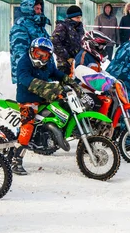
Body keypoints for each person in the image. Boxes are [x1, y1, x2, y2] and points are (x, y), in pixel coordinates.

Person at [12, 37, 80, 175]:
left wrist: (69, 81)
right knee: (28, 124)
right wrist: (49, 88)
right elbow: (26, 80)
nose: (42, 58)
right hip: (28, 99)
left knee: (62, 107)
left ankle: (51, 137)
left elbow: (56, 73)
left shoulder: (48, 63)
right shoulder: (24, 62)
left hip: (44, 97)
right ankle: (16, 160)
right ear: (32, 51)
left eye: (46, 55)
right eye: (39, 54)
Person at [9, 0, 51, 84]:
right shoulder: (20, 26)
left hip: (42, 75)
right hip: (29, 78)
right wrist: (29, 78)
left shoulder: (39, 27)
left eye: (40, 8)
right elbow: (20, 54)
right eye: (36, 8)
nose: (40, 11)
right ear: (28, 9)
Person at [52, 5, 85, 76]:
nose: (79, 20)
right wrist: (67, 57)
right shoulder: (62, 27)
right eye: (77, 18)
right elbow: (54, 42)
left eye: (80, 18)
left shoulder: (79, 28)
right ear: (70, 17)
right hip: (64, 65)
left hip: (77, 63)